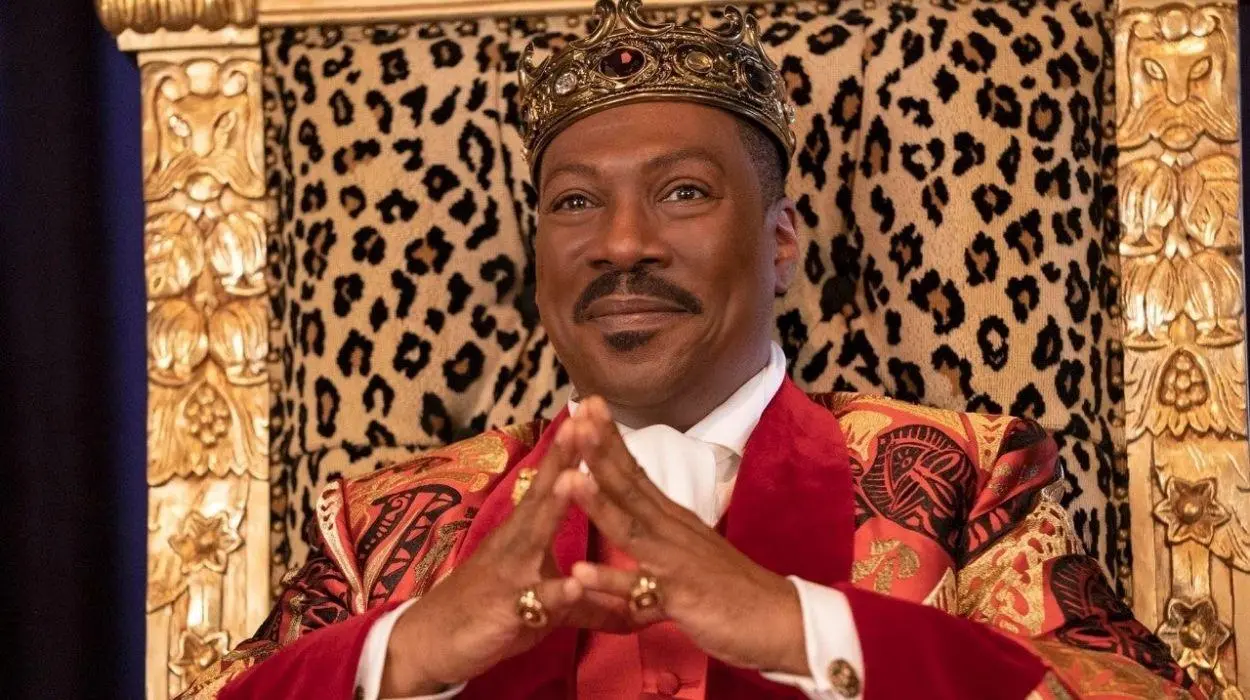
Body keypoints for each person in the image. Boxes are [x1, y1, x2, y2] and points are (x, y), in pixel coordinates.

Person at [180, 1, 1195, 698]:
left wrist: (796, 626)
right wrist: (409, 652)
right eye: (574, 203)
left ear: (781, 242)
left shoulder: (962, 479)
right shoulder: (386, 520)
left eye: (681, 192)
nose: (621, 244)